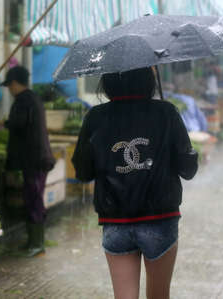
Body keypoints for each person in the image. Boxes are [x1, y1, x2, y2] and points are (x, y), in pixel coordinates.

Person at [72, 67, 198, 299]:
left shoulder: (96, 117)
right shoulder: (166, 113)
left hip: (115, 221)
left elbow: (82, 171)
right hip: (159, 220)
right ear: (149, 80)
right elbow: (188, 170)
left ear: (108, 81)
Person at [0, 66, 55, 257]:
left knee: (34, 199)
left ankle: (37, 244)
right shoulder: (32, 98)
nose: (9, 89)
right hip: (36, 158)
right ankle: (33, 242)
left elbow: (18, 123)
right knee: (32, 198)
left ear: (15, 83)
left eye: (10, 85)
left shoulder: (24, 100)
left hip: (34, 160)